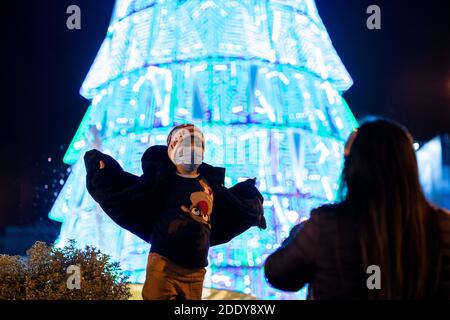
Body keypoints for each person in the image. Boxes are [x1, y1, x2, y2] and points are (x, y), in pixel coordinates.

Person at [264, 117, 450, 299]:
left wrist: (299, 232)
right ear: (410, 167)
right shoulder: (443, 227)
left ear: (353, 168)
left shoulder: (325, 226)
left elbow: (279, 274)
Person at [84, 123, 266, 300]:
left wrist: (252, 209)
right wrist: (104, 174)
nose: (193, 149)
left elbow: (228, 208)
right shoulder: (162, 180)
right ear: (172, 146)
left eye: (198, 144)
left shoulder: (209, 184)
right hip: (164, 263)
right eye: (187, 143)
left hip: (196, 269)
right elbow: (131, 194)